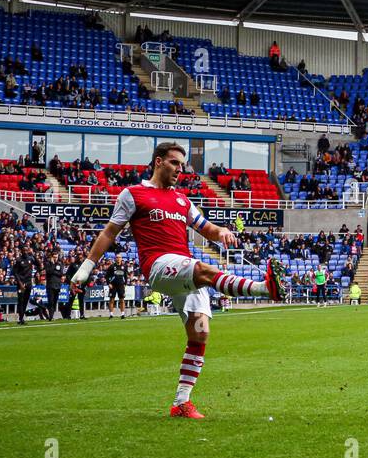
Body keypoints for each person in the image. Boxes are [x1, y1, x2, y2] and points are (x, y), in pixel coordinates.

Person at [71, 142, 288, 419]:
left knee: (200, 333)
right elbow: (109, 233)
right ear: (158, 162)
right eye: (174, 163)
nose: (179, 170)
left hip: (183, 271)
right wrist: (86, 268)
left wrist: (221, 232)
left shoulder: (183, 201)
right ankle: (262, 288)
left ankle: (181, 403)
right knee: (204, 270)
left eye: (182, 166)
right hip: (160, 266)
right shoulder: (133, 194)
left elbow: (205, 228)